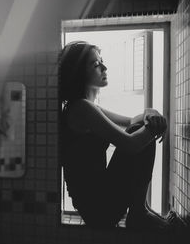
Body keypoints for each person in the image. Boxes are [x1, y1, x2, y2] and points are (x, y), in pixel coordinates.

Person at [59, 41, 169, 230]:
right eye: (96, 65)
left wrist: (149, 113)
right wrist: (153, 126)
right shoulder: (81, 109)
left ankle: (141, 210)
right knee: (140, 135)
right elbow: (132, 144)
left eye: (102, 61)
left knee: (140, 128)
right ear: (79, 73)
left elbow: (132, 120)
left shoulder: (85, 106)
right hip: (99, 209)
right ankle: (138, 213)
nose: (104, 67)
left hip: (99, 202)